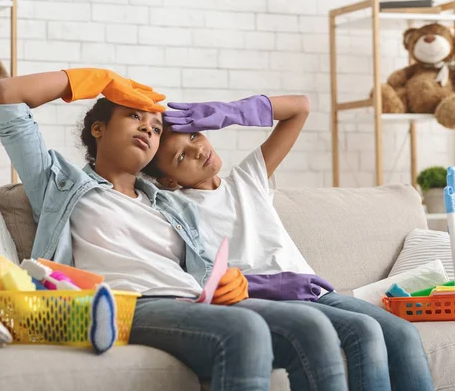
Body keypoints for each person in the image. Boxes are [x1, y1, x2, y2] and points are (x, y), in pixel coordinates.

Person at [0, 68, 349, 391]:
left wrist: (232, 281)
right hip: (128, 304)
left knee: (312, 328)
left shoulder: (172, 205)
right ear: (98, 129)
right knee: (245, 330)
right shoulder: (59, 185)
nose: (149, 127)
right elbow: (8, 94)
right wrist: (100, 80)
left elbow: (208, 270)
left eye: (156, 127)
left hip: (191, 302)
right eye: (134, 116)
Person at [143, 93, 436, 391]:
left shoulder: (247, 179)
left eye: (194, 135)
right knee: (364, 331)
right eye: (180, 157)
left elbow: (300, 109)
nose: (197, 149)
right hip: (270, 302)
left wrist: (229, 112)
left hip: (315, 292)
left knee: (402, 333)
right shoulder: (177, 209)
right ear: (169, 181)